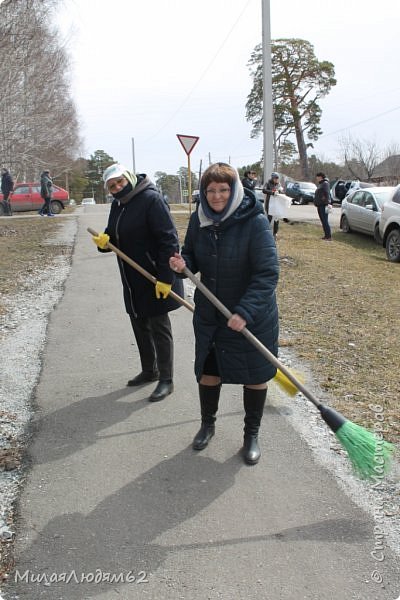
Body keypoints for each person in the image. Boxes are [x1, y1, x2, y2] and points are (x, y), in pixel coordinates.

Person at [169, 162, 279, 465]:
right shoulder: (199, 220)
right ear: (204, 193)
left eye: (223, 189)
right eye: (211, 190)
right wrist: (183, 263)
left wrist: (245, 311)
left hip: (251, 315)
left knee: (255, 375)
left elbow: (267, 273)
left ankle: (251, 434)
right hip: (212, 312)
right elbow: (190, 252)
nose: (216, 196)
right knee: (209, 371)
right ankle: (207, 425)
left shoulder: (254, 221)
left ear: (234, 191)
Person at [92, 164, 184, 402]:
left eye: (120, 182)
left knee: (158, 326)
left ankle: (166, 379)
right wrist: (104, 242)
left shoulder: (151, 200)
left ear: (129, 178)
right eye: (112, 186)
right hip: (131, 277)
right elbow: (113, 233)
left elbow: (169, 239)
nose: (117, 188)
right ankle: (149, 370)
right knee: (139, 322)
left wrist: (166, 278)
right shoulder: (118, 204)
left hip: (154, 275)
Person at [262, 171, 282, 239]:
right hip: (269, 203)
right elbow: (264, 190)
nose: (276, 179)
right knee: (269, 218)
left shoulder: (278, 184)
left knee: (276, 219)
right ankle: (266, 232)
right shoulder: (268, 183)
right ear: (272, 178)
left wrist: (280, 191)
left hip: (277, 204)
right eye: (275, 178)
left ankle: (275, 233)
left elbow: (281, 191)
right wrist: (272, 192)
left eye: (277, 178)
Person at [314, 172, 332, 240]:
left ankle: (328, 236)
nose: (316, 178)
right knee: (323, 221)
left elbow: (327, 193)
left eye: (317, 177)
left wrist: (327, 203)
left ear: (321, 177)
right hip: (320, 205)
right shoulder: (321, 184)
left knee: (325, 221)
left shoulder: (325, 184)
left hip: (324, 205)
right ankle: (326, 235)